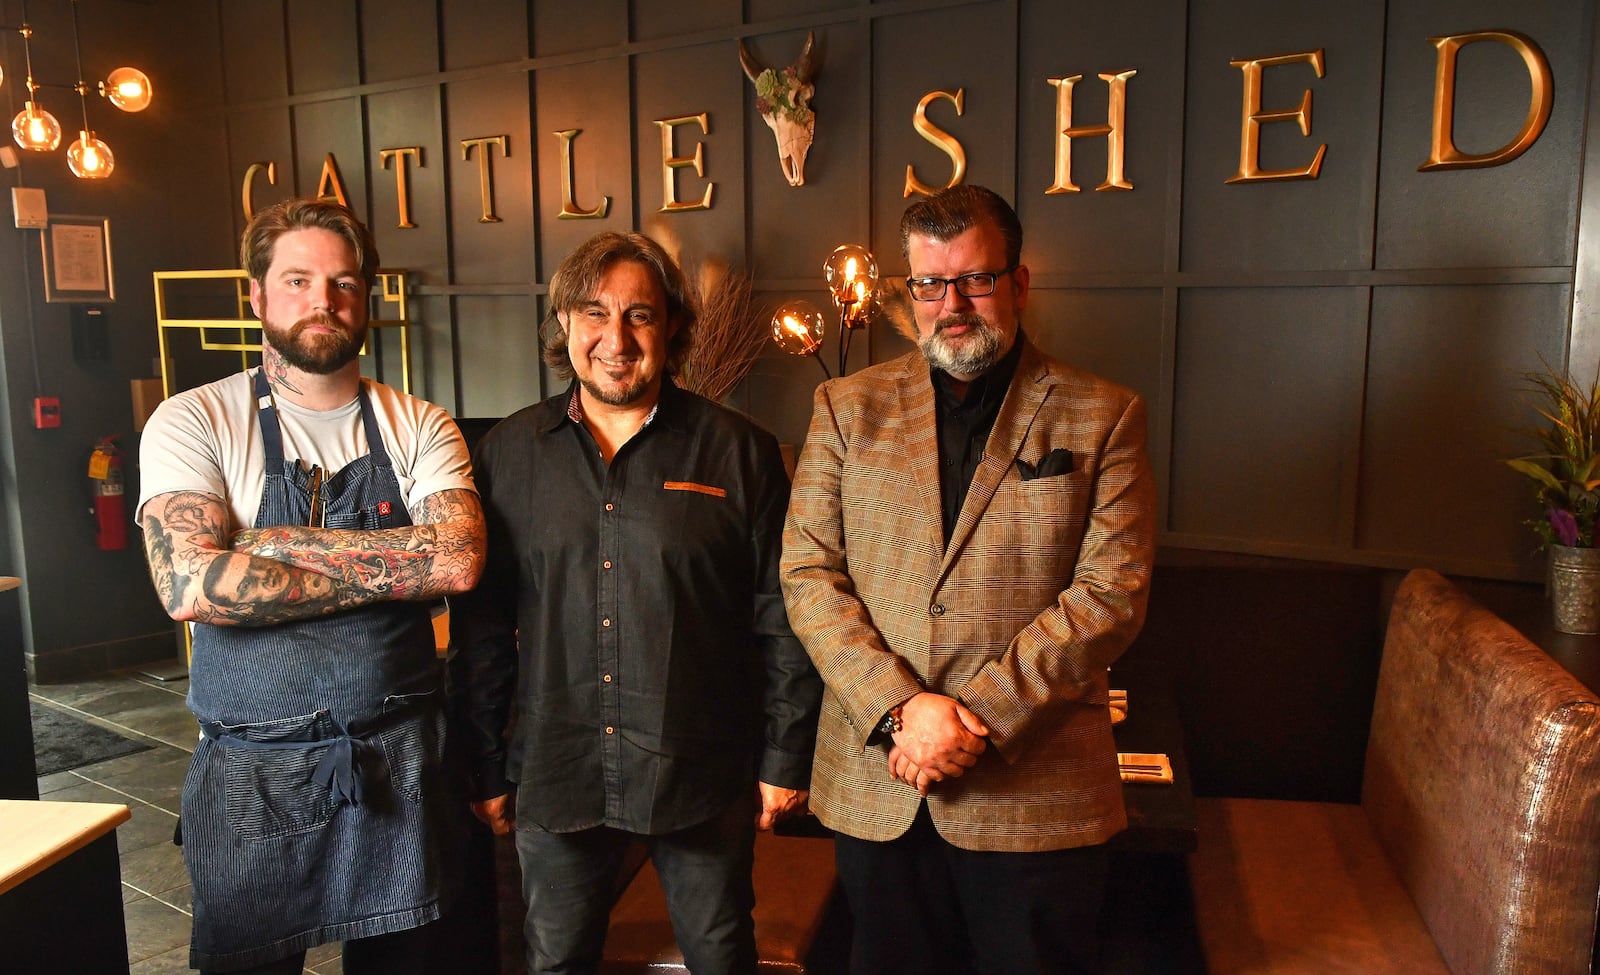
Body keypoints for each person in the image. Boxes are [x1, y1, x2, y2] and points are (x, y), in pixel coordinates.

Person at [780, 184, 1157, 975]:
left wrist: (970, 717)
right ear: (908, 290)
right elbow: (809, 573)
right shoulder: (845, 406)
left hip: (1037, 800)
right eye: (929, 283)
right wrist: (900, 710)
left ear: (1017, 282)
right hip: (882, 786)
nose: (951, 304)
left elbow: (1111, 594)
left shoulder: (1104, 413)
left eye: (975, 279)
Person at [448, 230, 822, 975]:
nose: (615, 338)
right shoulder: (506, 455)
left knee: (721, 957)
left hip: (700, 768)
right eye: (594, 312)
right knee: (555, 961)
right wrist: (483, 764)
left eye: (640, 316)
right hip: (557, 770)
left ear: (674, 326)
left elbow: (784, 617)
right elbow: (483, 630)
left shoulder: (741, 452)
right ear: (564, 323)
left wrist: (786, 755)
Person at [137, 198, 487, 974]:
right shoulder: (194, 420)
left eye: (342, 282)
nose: (322, 301)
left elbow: (456, 561)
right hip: (252, 778)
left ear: (366, 295)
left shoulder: (421, 423)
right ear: (256, 295)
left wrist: (265, 546)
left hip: (400, 768)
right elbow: (191, 580)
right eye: (297, 280)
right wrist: (390, 561)